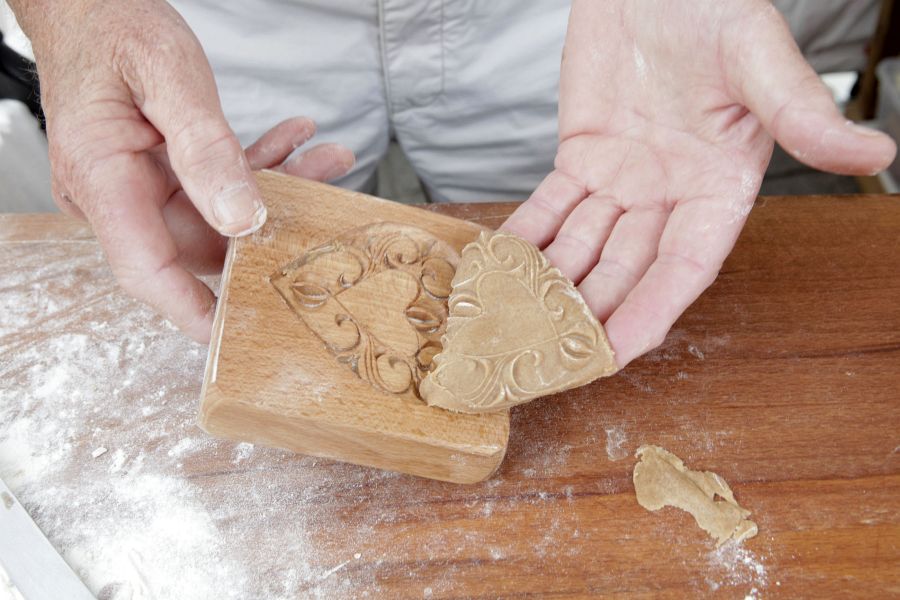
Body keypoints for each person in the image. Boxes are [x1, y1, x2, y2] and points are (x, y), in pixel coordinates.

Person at [8, 0, 896, 367]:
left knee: (590, 257)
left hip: (586, 32)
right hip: (212, 22)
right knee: (222, 237)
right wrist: (75, 15)